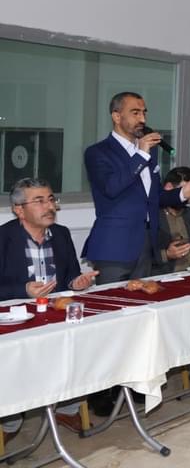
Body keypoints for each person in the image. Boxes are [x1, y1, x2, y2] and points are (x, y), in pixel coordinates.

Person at [0, 178, 98, 434]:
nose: (50, 206)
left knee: (84, 343)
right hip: (15, 318)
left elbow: (70, 276)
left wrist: (77, 283)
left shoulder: (61, 234)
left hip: (55, 315)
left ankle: (67, 410)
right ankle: (9, 423)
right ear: (19, 210)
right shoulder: (3, 238)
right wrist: (23, 290)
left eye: (51, 199)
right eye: (40, 201)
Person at [83, 91, 190, 282]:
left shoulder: (149, 153)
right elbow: (111, 188)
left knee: (141, 297)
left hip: (146, 244)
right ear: (116, 116)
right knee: (113, 299)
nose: (142, 119)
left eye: (144, 113)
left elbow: (154, 196)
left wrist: (181, 194)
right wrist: (141, 155)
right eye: (135, 113)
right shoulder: (98, 152)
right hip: (115, 246)